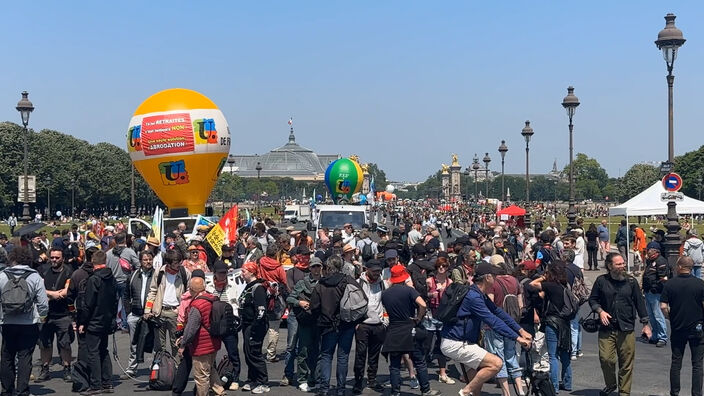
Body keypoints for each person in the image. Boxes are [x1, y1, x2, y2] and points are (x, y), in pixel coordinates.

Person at [441, 262, 531, 396]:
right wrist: (517, 338)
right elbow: (492, 321)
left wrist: (520, 330)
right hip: (456, 343)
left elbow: (498, 312)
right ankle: (464, 393)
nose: (496, 278)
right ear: (487, 277)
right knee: (496, 364)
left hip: (463, 341)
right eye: (494, 275)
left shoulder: (479, 293)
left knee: (476, 384)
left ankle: (469, 392)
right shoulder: (473, 297)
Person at [589, 253, 651, 396]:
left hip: (627, 327)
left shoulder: (631, 282)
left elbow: (639, 303)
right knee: (606, 359)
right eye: (618, 264)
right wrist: (600, 311)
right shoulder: (601, 281)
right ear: (610, 266)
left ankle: (624, 392)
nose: (622, 266)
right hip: (607, 328)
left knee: (626, 363)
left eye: (623, 263)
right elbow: (593, 300)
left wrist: (645, 324)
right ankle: (611, 384)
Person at [381, 265, 441, 396]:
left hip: (394, 329)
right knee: (419, 361)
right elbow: (423, 304)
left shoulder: (385, 294)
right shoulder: (409, 291)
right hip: (409, 327)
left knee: (395, 364)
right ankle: (426, 389)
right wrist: (418, 318)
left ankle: (395, 391)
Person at [0, 247, 49, 396]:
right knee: (25, 357)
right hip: (28, 322)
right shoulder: (34, 277)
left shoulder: (2, 275)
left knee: (7, 356)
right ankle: (22, 390)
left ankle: (7, 389)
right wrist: (42, 317)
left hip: (7, 320)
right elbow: (43, 302)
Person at [310, 255, 358, 396]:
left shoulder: (321, 284)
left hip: (327, 324)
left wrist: (319, 319)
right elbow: (360, 298)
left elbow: (314, 306)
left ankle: (324, 388)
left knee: (326, 356)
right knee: (343, 357)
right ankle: (341, 388)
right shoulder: (348, 280)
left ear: (328, 268)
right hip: (347, 323)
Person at [661, 256, 704, 396]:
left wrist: (669, 317)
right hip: (697, 326)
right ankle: (696, 393)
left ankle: (675, 392)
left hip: (678, 326)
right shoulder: (700, 284)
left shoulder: (670, 284)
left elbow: (663, 306)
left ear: (679, 266)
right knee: (697, 364)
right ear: (691, 268)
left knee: (676, 362)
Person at [77, 250, 118, 395]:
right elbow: (115, 300)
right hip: (106, 319)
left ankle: (96, 384)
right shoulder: (111, 278)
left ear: (93, 262)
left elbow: (88, 304)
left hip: (94, 320)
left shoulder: (94, 279)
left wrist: (82, 322)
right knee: (103, 350)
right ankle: (107, 382)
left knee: (93, 352)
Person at [530, 262, 573, 394]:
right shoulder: (564, 285)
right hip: (564, 322)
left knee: (553, 355)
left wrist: (543, 278)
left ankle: (554, 386)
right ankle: (567, 382)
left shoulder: (550, 286)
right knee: (565, 354)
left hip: (552, 321)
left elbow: (532, 284)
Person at [178, 277, 225, 396]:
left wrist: (183, 344)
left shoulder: (197, 305)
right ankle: (220, 391)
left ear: (192, 289)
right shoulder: (212, 298)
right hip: (214, 342)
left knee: (201, 376)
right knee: (210, 369)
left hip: (201, 345)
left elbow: (191, 329)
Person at [36, 248, 74, 383]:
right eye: (52, 257)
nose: (54, 260)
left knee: (65, 344)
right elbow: (38, 288)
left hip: (63, 314)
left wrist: (49, 295)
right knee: (44, 344)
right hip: (45, 314)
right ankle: (45, 369)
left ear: (62, 258)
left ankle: (67, 368)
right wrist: (53, 294)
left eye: (57, 258)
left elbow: (66, 291)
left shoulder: (69, 271)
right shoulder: (43, 270)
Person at [144, 249, 190, 356]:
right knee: (159, 346)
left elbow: (189, 294)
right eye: (176, 263)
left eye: (180, 262)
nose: (179, 265)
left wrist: (181, 308)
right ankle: (162, 369)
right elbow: (153, 291)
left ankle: (177, 369)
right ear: (168, 264)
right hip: (159, 312)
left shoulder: (185, 273)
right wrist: (147, 310)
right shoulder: (159, 272)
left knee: (176, 343)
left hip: (176, 314)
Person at [287, 256, 323, 392]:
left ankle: (315, 378)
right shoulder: (302, 283)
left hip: (320, 321)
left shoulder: (324, 282)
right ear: (309, 268)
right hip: (306, 321)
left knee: (318, 351)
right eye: (313, 266)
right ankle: (302, 378)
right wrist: (300, 303)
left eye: (318, 266)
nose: (316, 269)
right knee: (303, 351)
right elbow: (290, 298)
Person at [206, 260, 241, 390]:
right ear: (214, 273)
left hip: (229, 323)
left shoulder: (232, 286)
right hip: (214, 324)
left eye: (225, 273)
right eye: (220, 273)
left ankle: (235, 378)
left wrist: (236, 319)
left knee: (233, 352)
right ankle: (213, 380)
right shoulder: (208, 287)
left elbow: (236, 304)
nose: (223, 275)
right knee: (211, 353)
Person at [353, 259, 387, 394]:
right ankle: (358, 381)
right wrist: (356, 323)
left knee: (374, 355)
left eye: (379, 271)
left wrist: (385, 321)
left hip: (378, 324)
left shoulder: (382, 284)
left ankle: (372, 380)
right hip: (363, 324)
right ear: (367, 270)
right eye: (374, 271)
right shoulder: (358, 283)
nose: (377, 274)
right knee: (360, 354)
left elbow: (385, 302)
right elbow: (352, 303)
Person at [238, 261, 270, 394]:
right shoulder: (248, 287)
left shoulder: (258, 288)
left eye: (244, 271)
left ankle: (263, 382)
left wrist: (255, 328)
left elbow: (261, 311)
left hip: (255, 325)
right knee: (248, 352)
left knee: (254, 352)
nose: (241, 274)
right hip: (246, 325)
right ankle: (252, 379)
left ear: (251, 272)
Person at [123, 250, 155, 377]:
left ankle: (155, 367)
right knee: (134, 343)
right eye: (145, 260)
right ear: (140, 261)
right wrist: (128, 312)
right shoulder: (133, 276)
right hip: (135, 314)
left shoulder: (157, 275)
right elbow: (126, 296)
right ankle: (132, 368)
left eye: (150, 259)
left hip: (152, 315)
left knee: (154, 343)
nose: (148, 262)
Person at [425, 257, 455, 385]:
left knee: (442, 344)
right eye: (439, 266)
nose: (441, 268)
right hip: (431, 314)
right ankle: (420, 372)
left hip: (444, 316)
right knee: (426, 344)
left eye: (443, 266)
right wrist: (431, 294)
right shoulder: (430, 281)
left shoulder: (450, 282)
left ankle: (442, 373)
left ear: (447, 268)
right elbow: (423, 295)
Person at [258, 244, 287, 363]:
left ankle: (257, 351)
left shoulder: (260, 263)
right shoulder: (278, 267)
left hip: (261, 295)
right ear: (276, 254)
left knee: (259, 326)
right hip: (274, 299)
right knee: (274, 327)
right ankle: (271, 354)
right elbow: (284, 281)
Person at [106, 232, 140, 332]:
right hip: (125, 281)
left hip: (112, 282)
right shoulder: (129, 252)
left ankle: (114, 323)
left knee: (113, 303)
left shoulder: (108, 253)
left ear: (115, 241)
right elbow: (138, 265)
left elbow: (106, 268)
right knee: (126, 304)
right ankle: (125, 324)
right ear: (125, 240)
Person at [641, 241, 669, 347]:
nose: (647, 252)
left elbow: (664, 278)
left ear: (655, 251)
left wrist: (654, 284)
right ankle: (655, 335)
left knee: (658, 315)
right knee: (651, 316)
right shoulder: (650, 261)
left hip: (656, 292)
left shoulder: (661, 261)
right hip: (648, 292)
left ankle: (662, 337)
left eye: (649, 250)